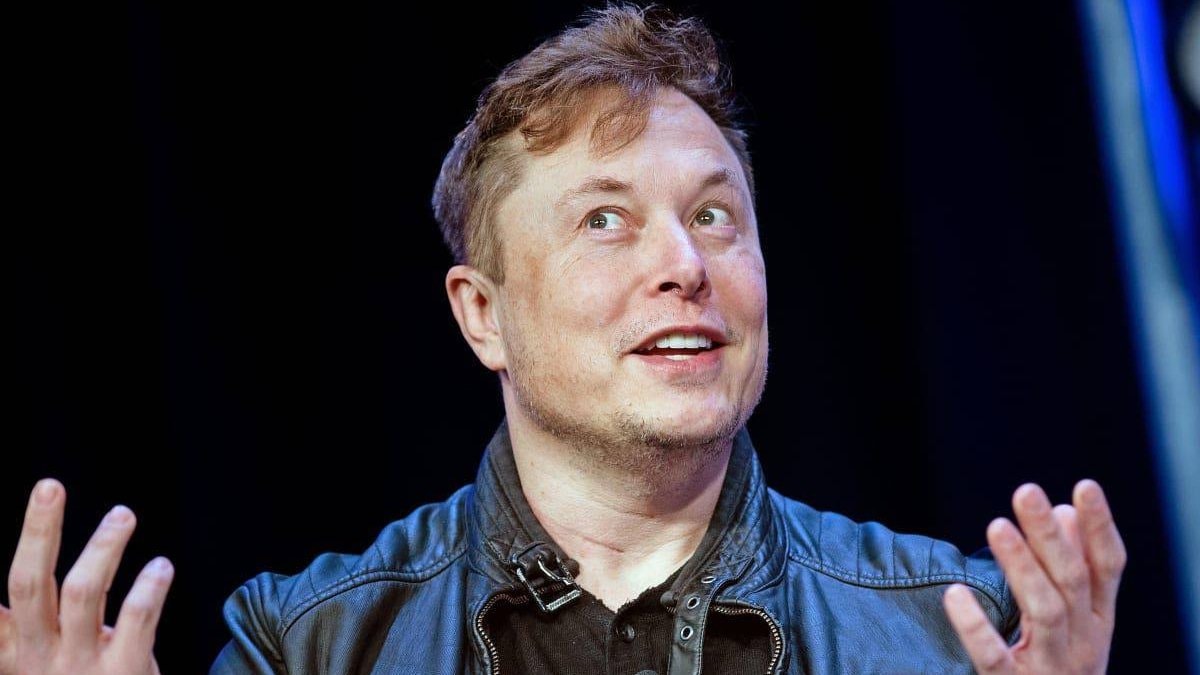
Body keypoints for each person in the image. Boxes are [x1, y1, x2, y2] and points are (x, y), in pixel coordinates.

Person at [1, 3, 1127, 673]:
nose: (684, 264)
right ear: (481, 314)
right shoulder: (311, 645)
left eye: (712, 215)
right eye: (605, 220)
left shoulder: (953, 630)